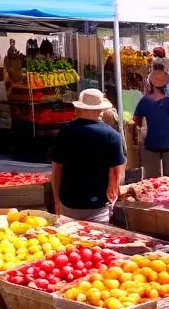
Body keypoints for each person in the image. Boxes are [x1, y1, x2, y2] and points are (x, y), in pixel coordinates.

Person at [51, 89, 126, 223]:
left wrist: (57, 200)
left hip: (68, 203)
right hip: (98, 205)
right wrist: (112, 198)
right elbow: (116, 173)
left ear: (80, 108)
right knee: (96, 242)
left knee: (69, 242)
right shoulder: (112, 136)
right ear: (99, 111)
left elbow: (56, 170)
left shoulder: (64, 132)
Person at [133, 77, 169, 179]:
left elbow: (136, 120)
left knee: (151, 184)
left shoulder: (144, 101)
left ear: (151, 86)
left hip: (150, 145)